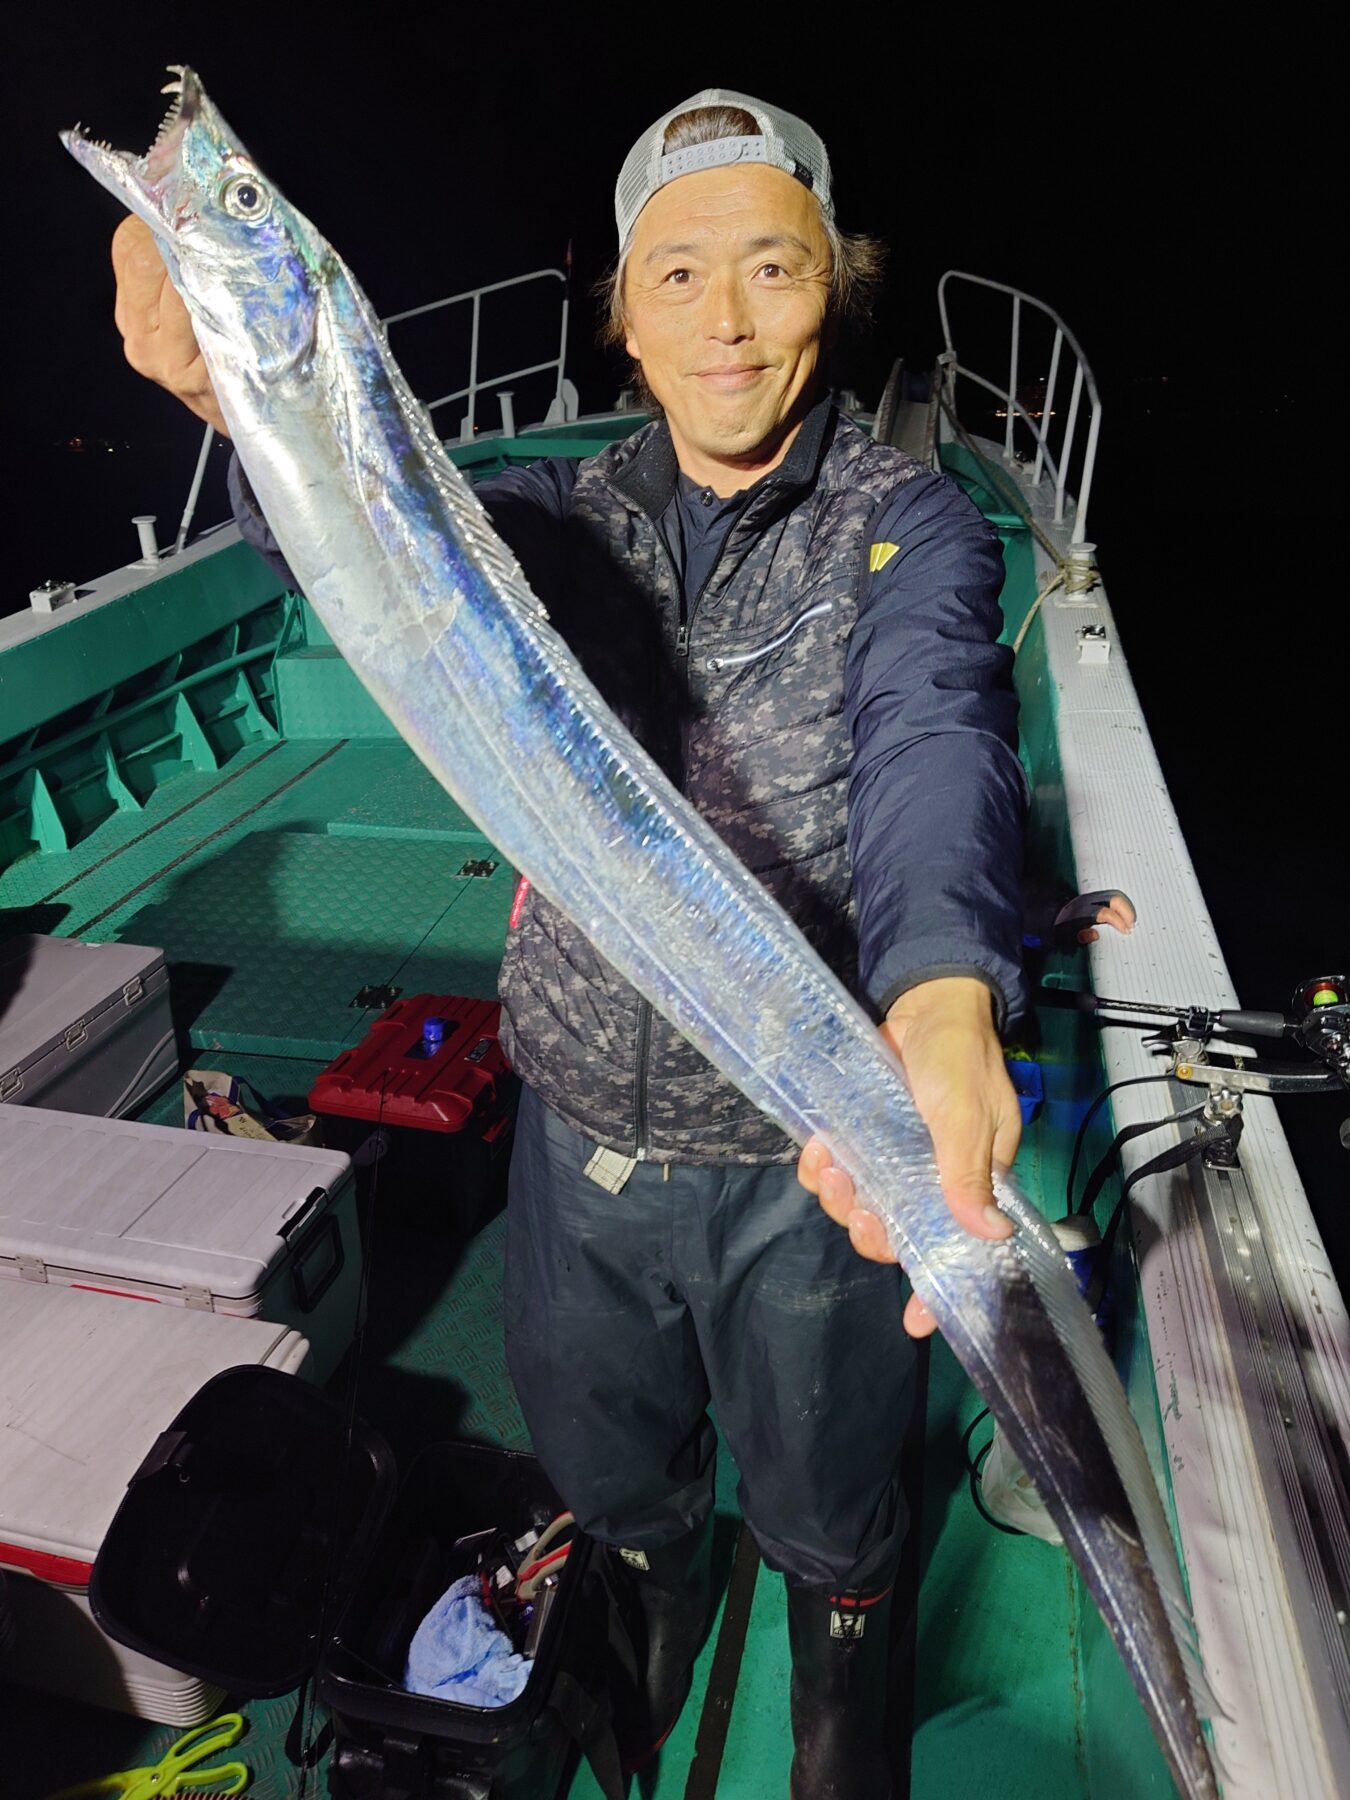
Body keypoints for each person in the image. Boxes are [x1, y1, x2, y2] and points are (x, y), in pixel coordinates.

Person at [111, 88, 1122, 1799]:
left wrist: (946, 996)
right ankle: (652, 1601)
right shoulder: (554, 516)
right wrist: (237, 401)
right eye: (677, 275)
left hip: (797, 1154)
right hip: (574, 1134)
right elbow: (375, 540)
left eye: (772, 269)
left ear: (832, 290)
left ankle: (841, 1682)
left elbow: (936, 745)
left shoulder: (911, 526)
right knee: (605, 1460)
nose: (726, 320)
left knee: (829, 1491)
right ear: (625, 319)